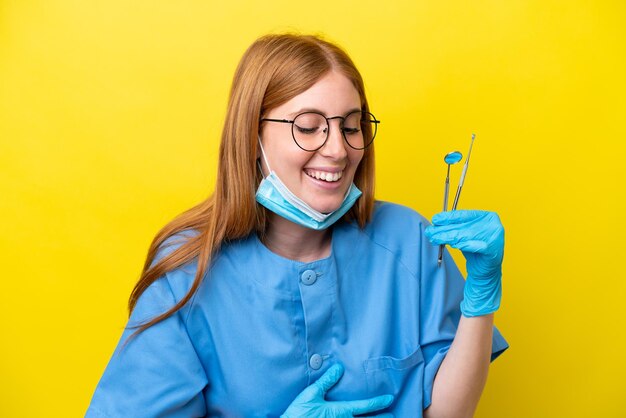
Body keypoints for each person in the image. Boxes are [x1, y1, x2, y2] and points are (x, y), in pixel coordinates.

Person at [86, 33, 508, 417]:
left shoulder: (408, 240)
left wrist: (480, 300)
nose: (338, 150)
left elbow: (446, 413)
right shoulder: (187, 272)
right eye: (308, 127)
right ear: (251, 136)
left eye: (351, 125)